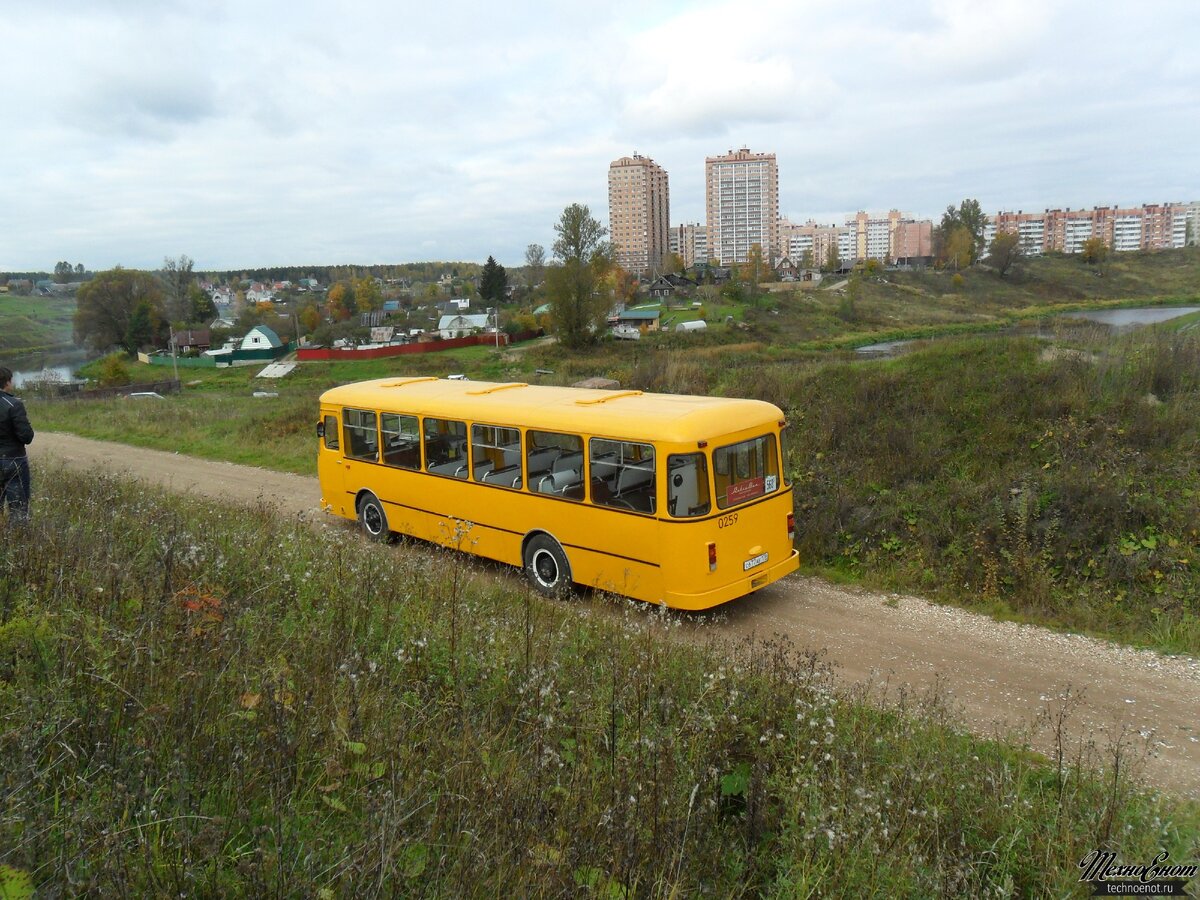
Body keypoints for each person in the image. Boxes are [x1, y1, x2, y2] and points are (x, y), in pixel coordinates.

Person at [0, 366, 34, 523]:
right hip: (13, 459)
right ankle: (18, 543)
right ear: (7, 382)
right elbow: (26, 436)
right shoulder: (13, 404)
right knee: (19, 511)